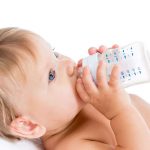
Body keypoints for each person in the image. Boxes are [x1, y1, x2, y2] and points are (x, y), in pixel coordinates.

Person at [0, 27, 150, 150]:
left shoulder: (79, 104)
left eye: (55, 54)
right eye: (51, 75)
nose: (68, 64)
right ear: (29, 125)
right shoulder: (71, 144)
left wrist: (115, 69)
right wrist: (120, 111)